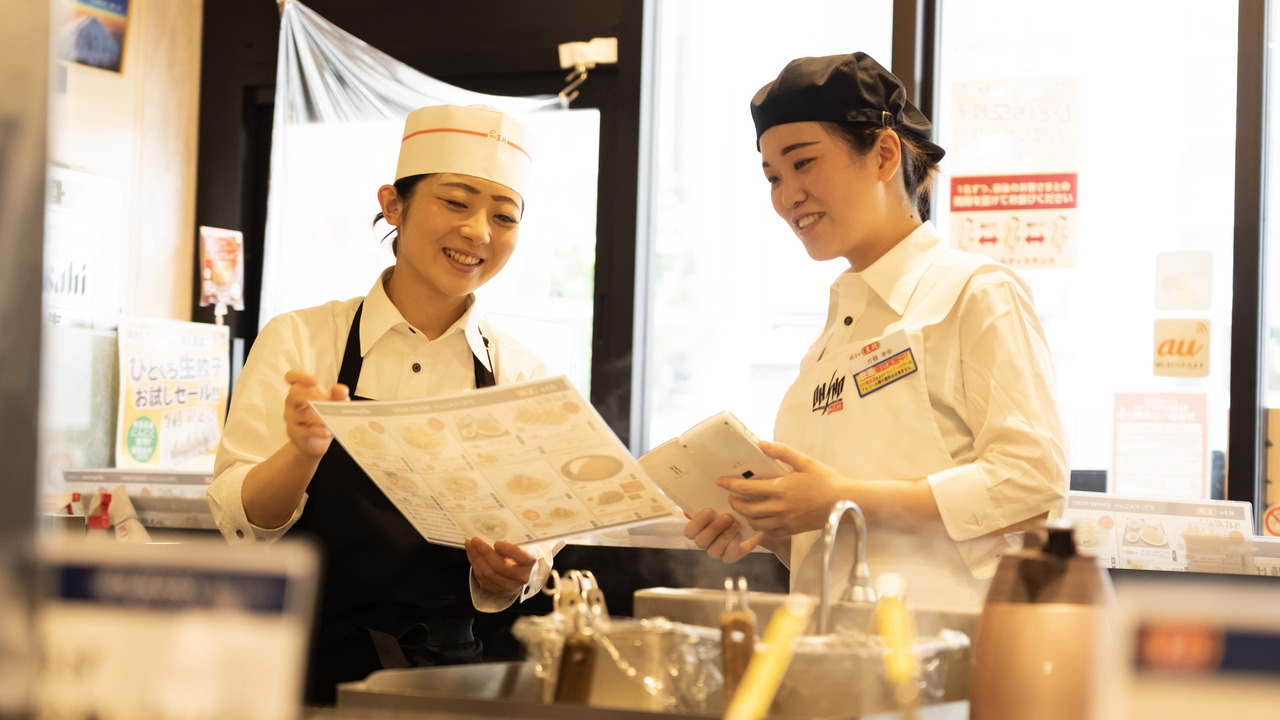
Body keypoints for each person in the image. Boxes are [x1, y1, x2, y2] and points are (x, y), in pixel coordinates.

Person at [683, 53, 1068, 610]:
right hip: (832, 652)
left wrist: (842, 500)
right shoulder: (831, 339)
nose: (788, 196)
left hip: (947, 651)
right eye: (772, 176)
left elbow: (1032, 484)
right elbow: (841, 534)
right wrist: (775, 525)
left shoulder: (975, 291)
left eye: (803, 163)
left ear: (884, 154)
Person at [208, 104, 560, 704]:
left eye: (504, 215)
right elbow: (240, 524)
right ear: (394, 206)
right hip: (296, 677)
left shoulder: (519, 376)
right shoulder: (301, 340)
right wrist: (301, 452)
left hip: (448, 684)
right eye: (456, 202)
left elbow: (534, 552)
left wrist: (514, 572)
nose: (479, 231)